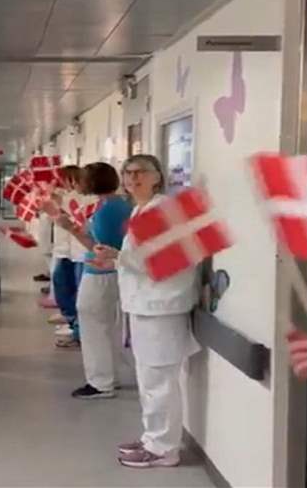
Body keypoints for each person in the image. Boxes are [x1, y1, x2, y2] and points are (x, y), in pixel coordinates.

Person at [92, 154, 201, 468]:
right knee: (150, 378)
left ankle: (163, 449)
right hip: (147, 306)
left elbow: (162, 260)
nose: (132, 178)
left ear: (157, 177)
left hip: (161, 309)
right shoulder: (143, 210)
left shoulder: (164, 210)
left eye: (140, 172)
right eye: (127, 173)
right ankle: (152, 437)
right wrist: (116, 258)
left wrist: (119, 257)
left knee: (159, 381)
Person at [55, 162, 133, 400]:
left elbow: (99, 249)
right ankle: (110, 376)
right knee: (108, 326)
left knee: (94, 326)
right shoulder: (119, 205)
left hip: (101, 274)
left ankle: (100, 382)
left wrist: (71, 228)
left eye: (81, 179)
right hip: (111, 273)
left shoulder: (106, 210)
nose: (77, 183)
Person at [48, 166, 85, 349]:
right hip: (67, 251)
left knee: (78, 293)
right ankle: (72, 321)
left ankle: (77, 331)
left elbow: (74, 218)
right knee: (62, 285)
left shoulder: (83, 198)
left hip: (81, 253)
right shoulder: (66, 196)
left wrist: (58, 205)